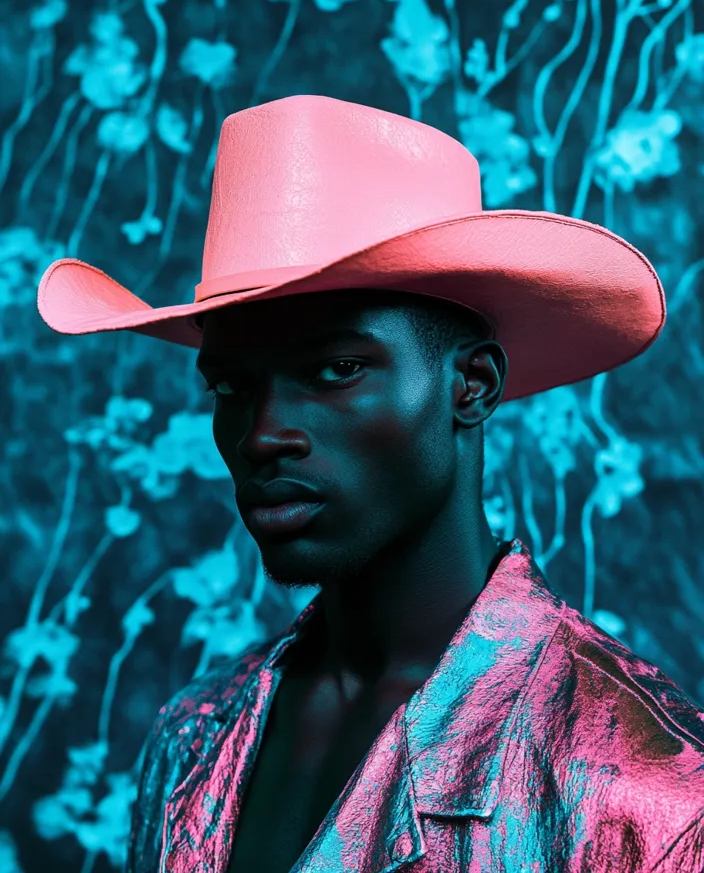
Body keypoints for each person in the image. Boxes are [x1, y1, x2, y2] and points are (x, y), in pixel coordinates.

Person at [37, 95, 704, 872]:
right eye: (230, 388)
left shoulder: (649, 794)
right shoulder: (193, 736)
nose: (262, 434)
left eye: (336, 369)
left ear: (472, 385)